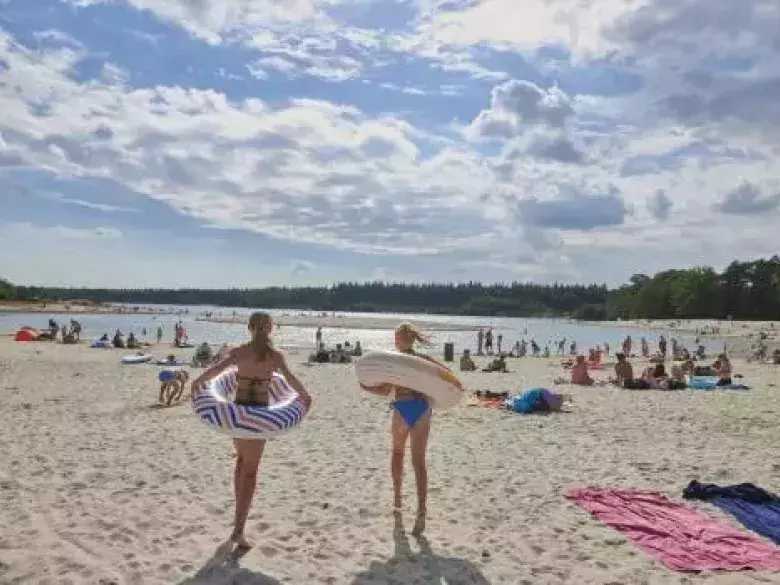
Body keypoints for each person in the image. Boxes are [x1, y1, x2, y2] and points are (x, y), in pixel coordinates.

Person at [190, 312, 312, 550]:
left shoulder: (240, 352)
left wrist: (198, 381)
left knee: (241, 464)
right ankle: (238, 531)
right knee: (250, 472)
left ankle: (237, 524)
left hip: (238, 414)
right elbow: (290, 379)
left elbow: (216, 370)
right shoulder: (275, 356)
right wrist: (306, 396)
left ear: (249, 328)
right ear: (270, 329)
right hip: (257, 417)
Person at [360, 323, 440, 536]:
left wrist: (366, 387)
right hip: (421, 409)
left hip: (402, 407)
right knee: (419, 462)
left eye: (395, 338)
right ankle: (421, 510)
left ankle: (397, 499)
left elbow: (385, 390)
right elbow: (443, 377)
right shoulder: (424, 360)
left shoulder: (395, 363)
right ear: (413, 340)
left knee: (397, 452)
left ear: (399, 340)